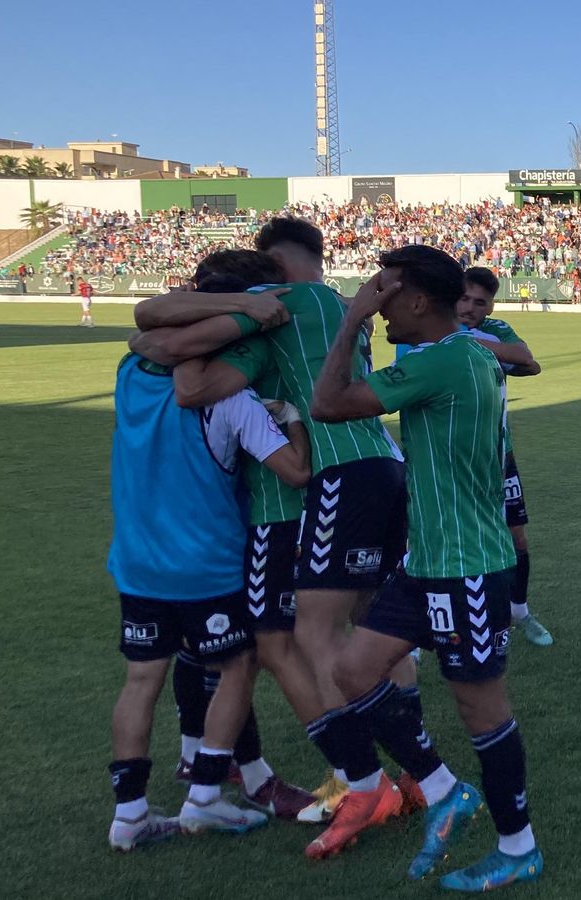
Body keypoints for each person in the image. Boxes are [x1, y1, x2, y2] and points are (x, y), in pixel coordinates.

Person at [132, 220, 442, 841]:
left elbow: (187, 376)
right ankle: (410, 771)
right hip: (382, 467)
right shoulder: (332, 309)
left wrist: (160, 335)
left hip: (295, 499)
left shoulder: (281, 307)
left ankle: (364, 780)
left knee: (287, 643)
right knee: (373, 628)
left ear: (273, 263)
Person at [310, 246, 543, 889]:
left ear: (416, 299)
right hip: (427, 562)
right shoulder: (464, 353)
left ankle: (518, 847)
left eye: (385, 292)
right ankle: (444, 790)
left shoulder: (441, 360)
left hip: (467, 566)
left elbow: (327, 403)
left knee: (481, 710)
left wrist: (350, 320)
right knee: (353, 670)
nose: (378, 304)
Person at [107, 285, 307, 849]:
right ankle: (205, 797)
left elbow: (147, 332)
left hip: (137, 562)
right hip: (207, 565)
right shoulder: (233, 400)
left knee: (141, 680)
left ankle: (129, 815)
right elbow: (295, 471)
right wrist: (291, 417)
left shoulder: (129, 374)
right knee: (238, 666)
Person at [454, 267, 553, 647]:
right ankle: (424, 633)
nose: (470, 308)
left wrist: (472, 341)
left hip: (498, 453)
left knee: (516, 539)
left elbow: (528, 360)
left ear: (491, 306)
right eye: (464, 298)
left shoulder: (493, 330)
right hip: (448, 456)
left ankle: (519, 612)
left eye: (480, 302)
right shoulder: (431, 330)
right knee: (444, 540)